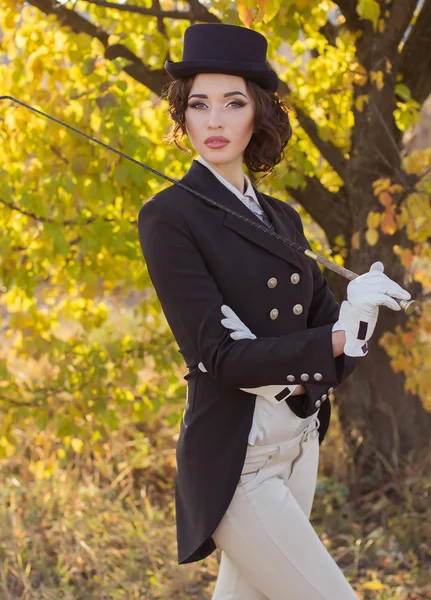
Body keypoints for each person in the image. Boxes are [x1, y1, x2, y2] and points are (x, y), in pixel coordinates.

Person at [137, 22, 411, 600]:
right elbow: (220, 358)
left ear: (257, 115)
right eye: (199, 104)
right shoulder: (169, 216)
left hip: (301, 443)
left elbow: (330, 350)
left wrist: (352, 320)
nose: (214, 121)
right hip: (242, 459)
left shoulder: (282, 219)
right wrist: (333, 336)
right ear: (182, 116)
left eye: (232, 103)